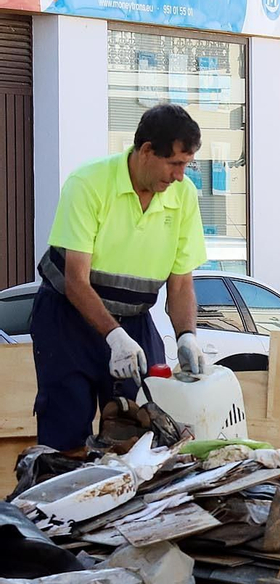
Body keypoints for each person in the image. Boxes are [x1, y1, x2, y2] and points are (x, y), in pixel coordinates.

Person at [32, 103, 208, 454]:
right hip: (69, 318)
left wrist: (186, 335)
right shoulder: (89, 184)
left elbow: (181, 283)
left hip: (135, 321)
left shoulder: (183, 196)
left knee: (147, 431)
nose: (180, 176)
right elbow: (76, 280)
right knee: (67, 438)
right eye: (174, 163)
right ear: (145, 151)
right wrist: (114, 336)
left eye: (186, 165)